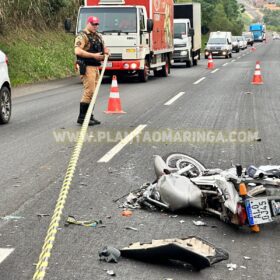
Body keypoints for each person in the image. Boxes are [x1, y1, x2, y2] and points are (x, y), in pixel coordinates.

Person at [74, 16, 109, 126]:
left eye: (97, 24)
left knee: (94, 93)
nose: (95, 26)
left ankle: (90, 115)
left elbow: (104, 48)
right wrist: (93, 56)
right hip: (87, 66)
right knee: (89, 92)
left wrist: (106, 51)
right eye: (93, 24)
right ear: (88, 23)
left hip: (96, 67)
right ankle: (82, 117)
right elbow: (78, 51)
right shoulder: (82, 36)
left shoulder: (97, 36)